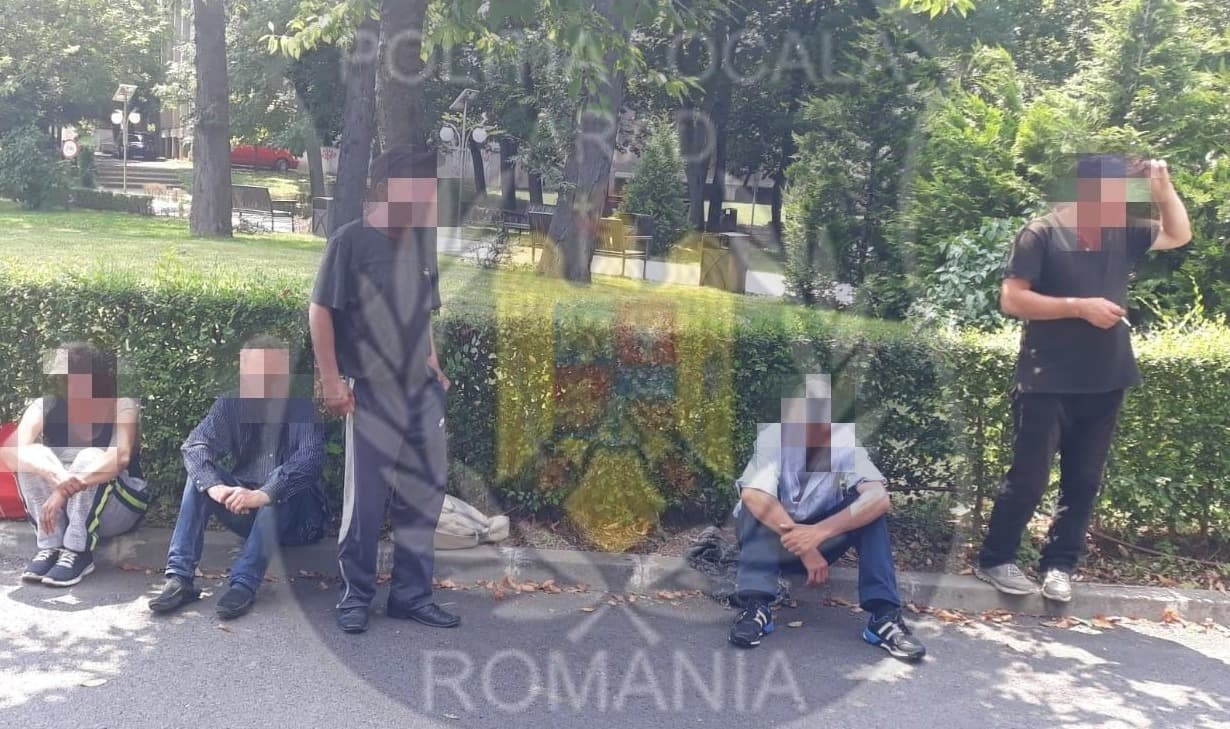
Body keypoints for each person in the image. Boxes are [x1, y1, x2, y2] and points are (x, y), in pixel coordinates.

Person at [975, 154, 1191, 602]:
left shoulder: (1123, 232)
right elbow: (1012, 299)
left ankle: (1059, 566)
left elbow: (1178, 234)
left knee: (1084, 481)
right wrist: (1080, 307)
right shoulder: (1041, 233)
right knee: (1029, 478)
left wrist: (1163, 188)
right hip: (1045, 379)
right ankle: (996, 559)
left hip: (1107, 376)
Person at [309, 146, 455, 634]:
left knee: (421, 498)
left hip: (421, 394)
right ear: (386, 189)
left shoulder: (421, 244)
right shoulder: (349, 242)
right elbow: (321, 311)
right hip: (370, 392)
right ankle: (356, 595)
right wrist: (332, 380)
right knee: (366, 504)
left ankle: (411, 596)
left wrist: (434, 365)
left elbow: (424, 313)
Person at [728, 374, 925, 662]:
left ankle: (884, 617)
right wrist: (804, 547)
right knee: (753, 502)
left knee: (869, 508)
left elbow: (878, 497)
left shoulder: (842, 441)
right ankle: (755, 607)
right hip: (773, 544)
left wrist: (818, 533)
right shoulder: (773, 437)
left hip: (823, 542)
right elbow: (754, 495)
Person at [148, 337, 328, 620]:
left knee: (281, 477)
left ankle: (244, 583)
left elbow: (309, 460)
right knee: (201, 477)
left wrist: (263, 494)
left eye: (270, 375)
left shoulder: (302, 408)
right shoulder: (230, 404)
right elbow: (195, 446)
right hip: (248, 514)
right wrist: (216, 487)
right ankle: (180, 578)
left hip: (298, 520)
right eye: (254, 373)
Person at [14, 342, 149, 587]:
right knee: (31, 456)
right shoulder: (46, 405)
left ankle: (78, 550)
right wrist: (57, 477)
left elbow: (120, 458)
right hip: (67, 505)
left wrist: (63, 490)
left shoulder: (122, 405)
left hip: (119, 506)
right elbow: (18, 449)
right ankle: (51, 546)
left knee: (90, 457)